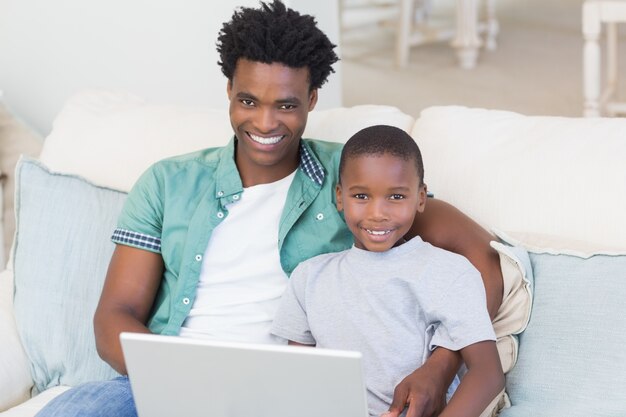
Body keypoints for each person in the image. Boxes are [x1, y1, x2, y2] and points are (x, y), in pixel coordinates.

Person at [35, 1, 503, 416]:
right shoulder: (167, 183)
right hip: (176, 383)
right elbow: (114, 316)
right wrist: (183, 379)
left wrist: (440, 366)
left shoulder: (357, 177)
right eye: (248, 100)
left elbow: (481, 256)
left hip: (292, 393)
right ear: (228, 91)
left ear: (312, 99)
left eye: (285, 104)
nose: (264, 122)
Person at [270, 125, 505, 417]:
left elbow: (488, 375)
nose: (377, 213)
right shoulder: (309, 278)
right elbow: (299, 379)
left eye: (396, 197)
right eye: (361, 196)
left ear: (421, 198)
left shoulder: (449, 271)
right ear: (340, 197)